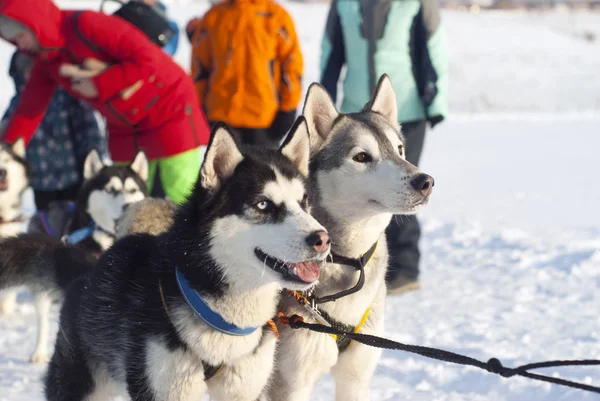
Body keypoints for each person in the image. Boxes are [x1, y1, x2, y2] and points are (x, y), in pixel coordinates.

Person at [0, 0, 210, 204]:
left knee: (182, 193)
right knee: (124, 200)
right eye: (14, 40)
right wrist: (5, 151)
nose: (21, 45)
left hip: (169, 108)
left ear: (35, 23)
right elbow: (28, 109)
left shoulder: (84, 24)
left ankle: (193, 239)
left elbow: (147, 58)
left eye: (21, 35)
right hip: (124, 125)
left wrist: (98, 84)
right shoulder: (47, 61)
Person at [320, 0, 448, 294]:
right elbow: (331, 49)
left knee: (404, 187)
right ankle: (359, 268)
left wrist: (435, 100)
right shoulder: (344, 5)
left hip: (403, 109)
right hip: (354, 112)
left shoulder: (417, 3)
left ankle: (404, 268)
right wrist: (325, 96)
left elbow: (435, 46)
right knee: (365, 193)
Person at [189, 0, 303, 148]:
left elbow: (292, 66)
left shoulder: (276, 16)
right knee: (225, 172)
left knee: (263, 171)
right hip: (222, 117)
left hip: (265, 120)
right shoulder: (214, 17)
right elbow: (199, 68)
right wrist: (200, 107)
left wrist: (288, 109)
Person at [0, 50, 106, 211]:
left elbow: (87, 129)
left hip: (73, 177)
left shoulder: (67, 96)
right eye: (26, 72)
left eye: (33, 70)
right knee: (47, 228)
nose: (30, 76)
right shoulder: (18, 103)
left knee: (75, 223)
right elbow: (7, 137)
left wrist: (92, 159)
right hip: (40, 181)